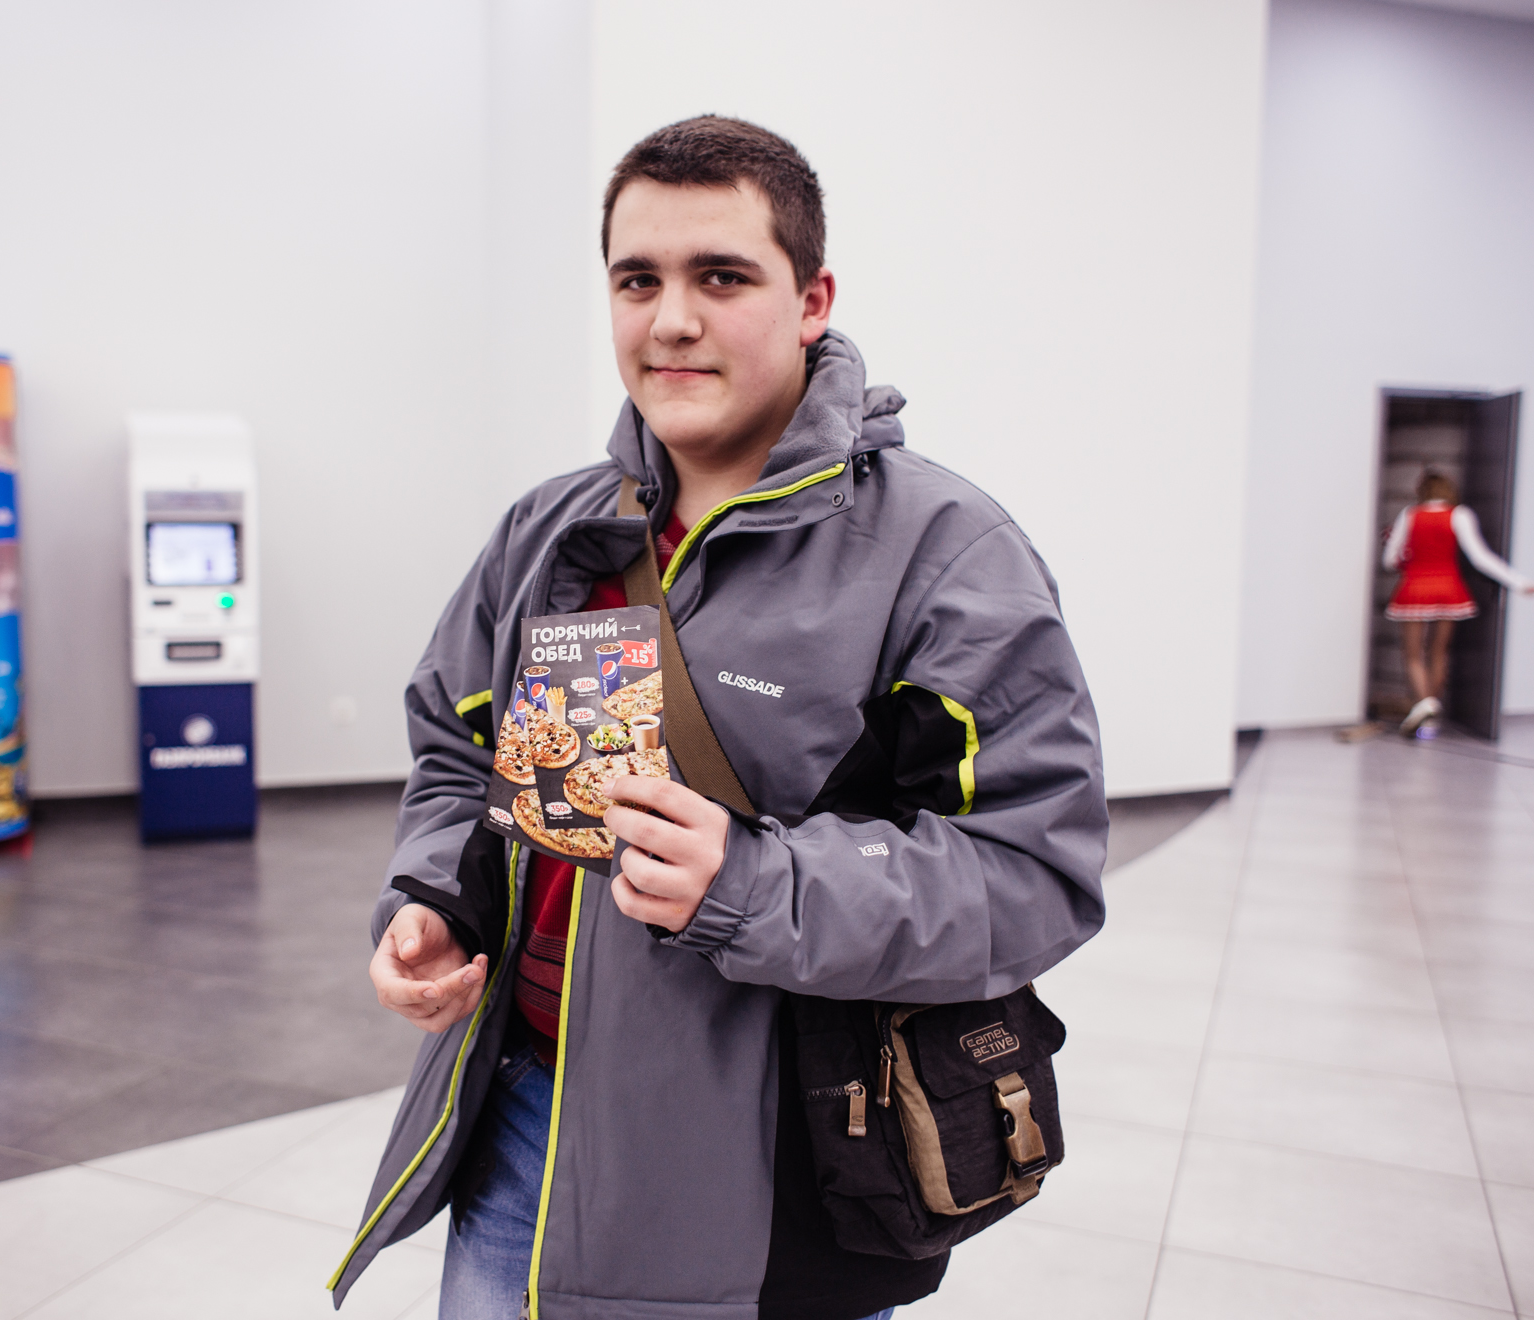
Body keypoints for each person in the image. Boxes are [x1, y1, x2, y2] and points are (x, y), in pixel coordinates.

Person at [335, 116, 1108, 1319]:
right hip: (518, 1128)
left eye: (722, 277)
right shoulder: (547, 533)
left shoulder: (948, 555)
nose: (672, 321)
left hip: (780, 1181)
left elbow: (1033, 870)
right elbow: (454, 751)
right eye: (637, 280)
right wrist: (436, 900)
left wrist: (753, 886)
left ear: (812, 301)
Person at [1382, 469, 1534, 735]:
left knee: (1413, 654)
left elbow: (1389, 560)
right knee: (1439, 653)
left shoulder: (1410, 515)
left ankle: (1424, 705)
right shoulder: (1460, 515)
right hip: (1449, 589)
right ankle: (1429, 717)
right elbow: (1480, 558)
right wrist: (1519, 582)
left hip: (1415, 588)